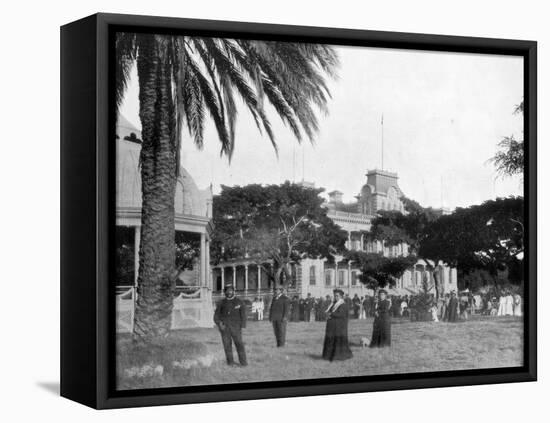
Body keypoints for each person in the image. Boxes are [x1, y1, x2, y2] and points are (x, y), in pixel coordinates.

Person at [213, 284, 247, 366]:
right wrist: (220, 324)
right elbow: (216, 316)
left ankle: (243, 363)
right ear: (224, 292)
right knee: (227, 346)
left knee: (239, 344)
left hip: (236, 328)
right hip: (225, 328)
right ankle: (230, 362)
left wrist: (242, 326)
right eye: (227, 291)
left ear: (234, 291)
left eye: (231, 290)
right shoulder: (221, 303)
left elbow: (243, 315)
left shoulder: (239, 302)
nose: (229, 292)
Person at [322, 289, 353, 361]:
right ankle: (329, 356)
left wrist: (331, 314)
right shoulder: (333, 304)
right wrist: (328, 314)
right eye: (334, 296)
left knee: (338, 341)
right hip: (333, 327)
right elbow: (330, 311)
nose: (335, 297)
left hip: (339, 327)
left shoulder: (343, 305)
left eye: (337, 296)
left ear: (341, 297)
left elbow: (340, 314)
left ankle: (338, 356)